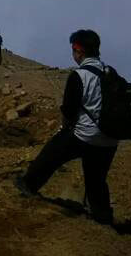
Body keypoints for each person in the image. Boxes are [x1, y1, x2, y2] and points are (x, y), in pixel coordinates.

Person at [15, 29, 118, 225]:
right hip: (110, 139)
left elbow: (69, 110)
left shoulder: (79, 76)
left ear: (78, 50)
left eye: (74, 50)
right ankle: (102, 215)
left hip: (86, 134)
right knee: (96, 178)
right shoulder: (111, 73)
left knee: (52, 153)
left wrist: (65, 129)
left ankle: (28, 184)